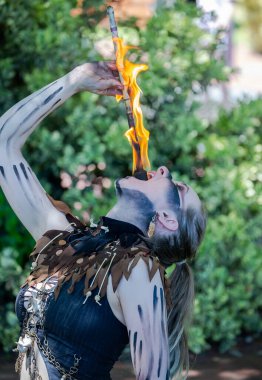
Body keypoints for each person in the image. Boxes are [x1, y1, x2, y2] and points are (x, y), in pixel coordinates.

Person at [0, 61, 206, 380]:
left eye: (176, 187)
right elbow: (3, 144)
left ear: (167, 218)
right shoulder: (68, 243)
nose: (163, 170)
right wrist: (73, 82)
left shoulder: (140, 272)